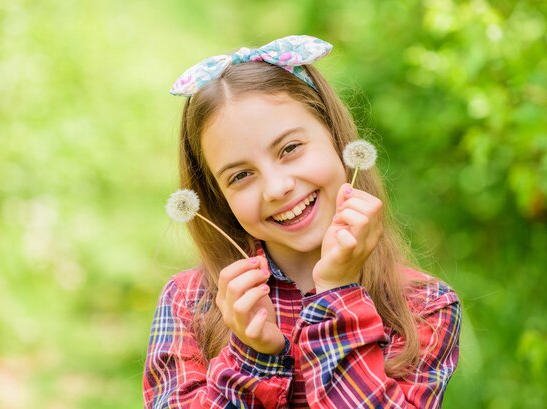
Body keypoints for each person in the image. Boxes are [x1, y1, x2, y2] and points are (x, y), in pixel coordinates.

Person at [143, 35, 461, 408]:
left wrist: (338, 293)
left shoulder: (423, 306)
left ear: (334, 136)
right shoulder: (189, 302)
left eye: (290, 149)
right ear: (219, 196)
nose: (276, 188)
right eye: (240, 176)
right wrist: (252, 356)